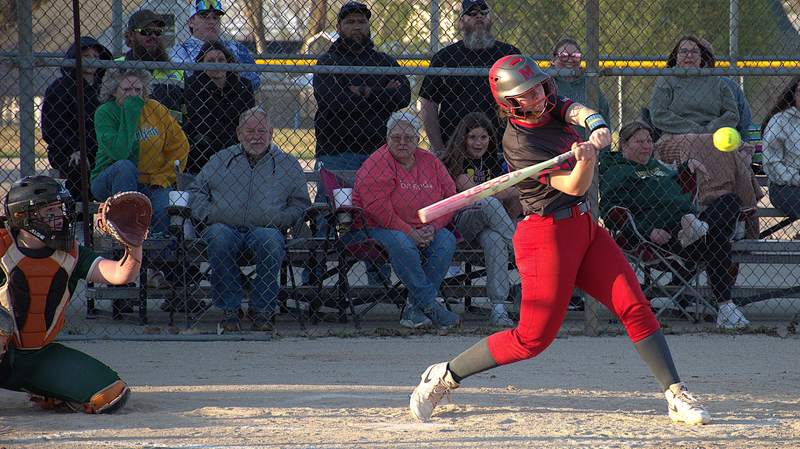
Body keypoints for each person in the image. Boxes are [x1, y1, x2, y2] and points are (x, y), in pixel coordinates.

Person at [409, 55, 711, 425]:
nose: (538, 95)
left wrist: (596, 126)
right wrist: (585, 161)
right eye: (526, 92)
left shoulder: (551, 106)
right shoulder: (518, 143)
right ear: (509, 102)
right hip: (545, 236)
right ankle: (444, 375)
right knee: (531, 339)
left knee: (634, 306)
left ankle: (675, 392)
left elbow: (577, 110)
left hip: (584, 227)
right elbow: (573, 185)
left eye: (538, 86)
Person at [0, 175, 142, 413]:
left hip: (38, 355)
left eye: (60, 209)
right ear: (24, 216)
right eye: (50, 212)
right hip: (4, 350)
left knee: (110, 395)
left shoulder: (70, 253)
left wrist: (134, 244)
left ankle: (47, 388)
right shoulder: (3, 247)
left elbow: (120, 274)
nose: (61, 218)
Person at [599, 121, 749, 329]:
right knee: (718, 240)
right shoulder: (617, 172)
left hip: (687, 227)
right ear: (624, 145)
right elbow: (610, 212)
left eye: (649, 141)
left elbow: (677, 184)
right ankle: (725, 308)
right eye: (639, 141)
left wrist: (687, 167)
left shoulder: (656, 166)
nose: (647, 146)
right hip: (662, 237)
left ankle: (699, 227)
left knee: (730, 200)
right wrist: (648, 231)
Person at [188, 107, 311, 332]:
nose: (256, 136)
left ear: (272, 132)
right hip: (225, 226)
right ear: (238, 133)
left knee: (271, 241)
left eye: (262, 131)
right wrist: (210, 214)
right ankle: (230, 309)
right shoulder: (221, 159)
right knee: (218, 236)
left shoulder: (287, 164)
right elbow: (196, 192)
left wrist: (281, 219)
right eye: (250, 131)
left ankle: (262, 309)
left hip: (266, 228)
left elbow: (300, 204)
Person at [352, 112, 460, 329]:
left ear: (418, 139)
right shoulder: (378, 163)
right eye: (396, 138)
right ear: (387, 138)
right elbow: (378, 210)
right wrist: (410, 232)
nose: (402, 143)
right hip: (376, 228)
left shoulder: (430, 161)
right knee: (402, 242)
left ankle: (414, 308)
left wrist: (433, 227)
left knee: (446, 239)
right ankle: (430, 305)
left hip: (424, 227)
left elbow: (451, 198)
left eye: (409, 138)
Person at [648, 35, 761, 237]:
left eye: (694, 51)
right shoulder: (667, 79)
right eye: (683, 51)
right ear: (676, 57)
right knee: (698, 143)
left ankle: (740, 214)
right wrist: (692, 128)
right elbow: (658, 114)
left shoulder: (716, 81)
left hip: (713, 134)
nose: (688, 55)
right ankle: (708, 205)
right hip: (675, 136)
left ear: (702, 57)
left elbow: (732, 113)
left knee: (739, 152)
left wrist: (710, 128)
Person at [313, 1, 411, 171]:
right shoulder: (328, 61)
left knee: (379, 198)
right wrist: (383, 93)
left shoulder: (384, 61)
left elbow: (403, 97)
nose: (357, 27)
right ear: (338, 27)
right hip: (337, 152)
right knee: (334, 198)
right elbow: (334, 102)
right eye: (350, 22)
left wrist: (364, 91)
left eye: (361, 22)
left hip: (379, 151)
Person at [90, 68, 189, 236]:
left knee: (162, 209)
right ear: (114, 91)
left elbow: (180, 145)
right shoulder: (105, 113)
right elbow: (119, 152)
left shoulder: (155, 109)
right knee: (125, 166)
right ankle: (126, 234)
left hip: (152, 182)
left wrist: (163, 177)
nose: (133, 94)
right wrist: (130, 111)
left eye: (138, 90)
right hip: (111, 181)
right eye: (127, 90)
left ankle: (158, 257)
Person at [440, 112, 517, 326]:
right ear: (463, 138)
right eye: (472, 137)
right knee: (488, 201)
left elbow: (511, 196)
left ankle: (499, 308)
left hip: (489, 225)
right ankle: (520, 250)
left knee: (494, 239)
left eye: (483, 137)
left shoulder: (492, 160)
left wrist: (510, 192)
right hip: (460, 224)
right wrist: (510, 190)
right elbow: (473, 193)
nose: (478, 142)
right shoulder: (454, 160)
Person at [418, 0, 519, 155]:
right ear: (461, 22)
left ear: (490, 18)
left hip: (501, 147)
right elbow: (427, 103)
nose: (478, 16)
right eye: (472, 13)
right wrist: (439, 149)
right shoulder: (445, 57)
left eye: (484, 12)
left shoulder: (508, 53)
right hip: (454, 146)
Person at [42, 37, 112, 199]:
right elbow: (53, 127)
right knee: (78, 166)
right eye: (86, 57)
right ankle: (79, 217)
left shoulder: (106, 88)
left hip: (100, 148)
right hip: (67, 150)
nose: (92, 61)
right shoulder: (60, 87)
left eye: (96, 57)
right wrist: (74, 148)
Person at [183, 40, 255, 175]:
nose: (217, 64)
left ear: (228, 63)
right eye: (210, 60)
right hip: (205, 147)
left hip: (236, 145)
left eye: (221, 59)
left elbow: (248, 121)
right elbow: (202, 122)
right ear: (202, 65)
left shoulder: (243, 86)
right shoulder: (194, 85)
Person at [170, 0, 261, 90]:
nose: (211, 22)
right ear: (190, 22)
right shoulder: (180, 50)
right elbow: (186, 84)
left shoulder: (236, 47)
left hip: (235, 100)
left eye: (215, 17)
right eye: (204, 16)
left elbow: (255, 80)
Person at [116, 9, 185, 121]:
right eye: (146, 31)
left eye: (157, 32)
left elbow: (185, 111)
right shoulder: (116, 68)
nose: (153, 36)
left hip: (170, 135)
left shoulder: (176, 70)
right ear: (131, 35)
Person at [550, 37, 611, 141]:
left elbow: (604, 117)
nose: (569, 60)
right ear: (553, 60)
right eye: (563, 56)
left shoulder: (589, 84)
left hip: (586, 149)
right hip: (554, 148)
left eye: (575, 56)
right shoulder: (547, 83)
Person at [761, 76, 800, 221]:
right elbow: (772, 164)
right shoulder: (780, 121)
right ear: (794, 95)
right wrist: (796, 178)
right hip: (785, 186)